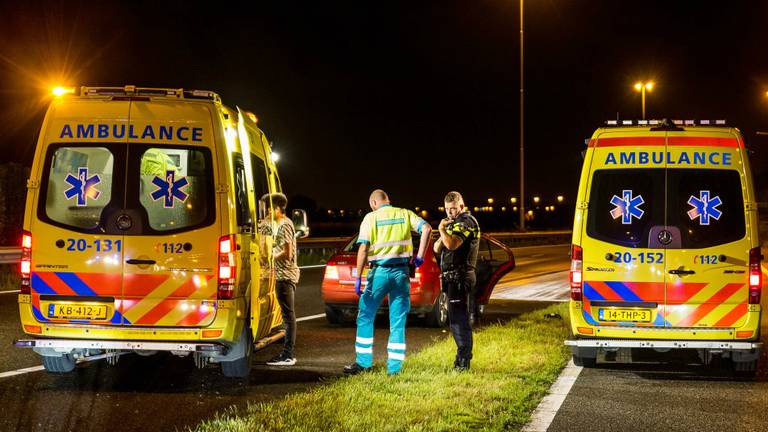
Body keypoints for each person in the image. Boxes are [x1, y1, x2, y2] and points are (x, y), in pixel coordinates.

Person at [343, 189, 431, 375]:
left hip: (379, 274)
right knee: (397, 321)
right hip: (401, 274)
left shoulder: (370, 218)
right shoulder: (404, 213)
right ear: (388, 200)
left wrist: (358, 277)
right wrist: (420, 256)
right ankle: (394, 370)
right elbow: (427, 228)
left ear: (374, 203)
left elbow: (364, 249)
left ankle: (363, 363)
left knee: (365, 315)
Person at [434, 191, 480, 370]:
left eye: (453, 209)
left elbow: (451, 245)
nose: (450, 213)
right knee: (455, 320)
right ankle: (461, 358)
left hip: (461, 277)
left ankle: (463, 361)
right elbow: (438, 247)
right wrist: (444, 233)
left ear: (461, 206)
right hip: (452, 278)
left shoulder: (466, 222)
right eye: (447, 209)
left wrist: (441, 230)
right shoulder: (452, 225)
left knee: (459, 320)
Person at [260, 193, 300, 366]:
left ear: (274, 208)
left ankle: (288, 355)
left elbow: (287, 252)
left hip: (285, 276)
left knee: (288, 316)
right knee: (287, 315)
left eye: (267, 208)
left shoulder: (284, 225)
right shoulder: (282, 224)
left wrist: (270, 258)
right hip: (284, 276)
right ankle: (287, 353)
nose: (266, 212)